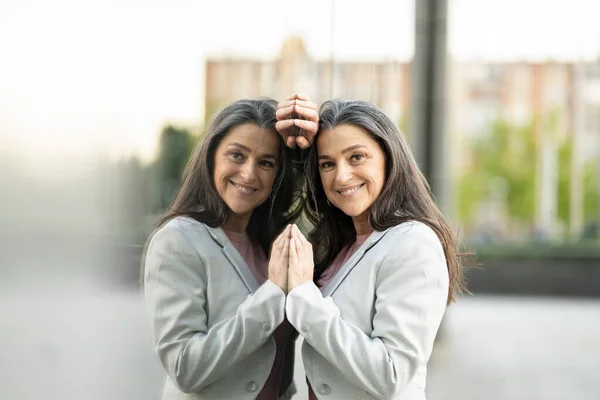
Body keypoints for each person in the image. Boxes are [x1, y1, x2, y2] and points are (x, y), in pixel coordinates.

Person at [279, 99, 467, 399]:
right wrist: (295, 154)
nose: (341, 176)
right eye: (327, 163)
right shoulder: (342, 245)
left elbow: (390, 374)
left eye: (356, 157)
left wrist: (304, 297)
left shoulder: (412, 243)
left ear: (388, 158)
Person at [143, 97, 318, 399]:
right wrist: (272, 293)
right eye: (237, 155)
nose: (249, 174)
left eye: (266, 162)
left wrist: (311, 149)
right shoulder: (179, 239)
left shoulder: (273, 242)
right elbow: (185, 367)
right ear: (212, 157)